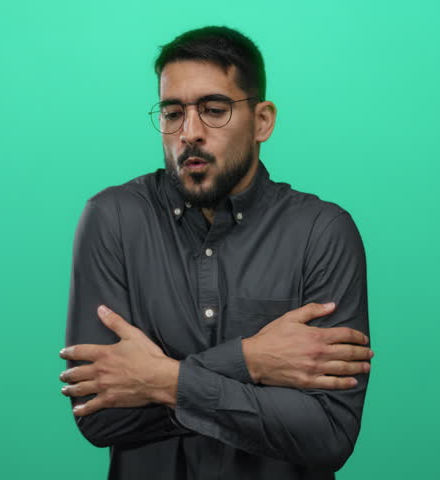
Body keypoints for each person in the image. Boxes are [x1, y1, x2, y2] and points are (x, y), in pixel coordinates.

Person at [59, 25, 373, 479]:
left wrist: (159, 380)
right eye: (173, 113)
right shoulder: (113, 220)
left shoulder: (322, 232)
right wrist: (251, 361)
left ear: (262, 121)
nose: (190, 133)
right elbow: (99, 415)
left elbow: (329, 434)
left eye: (214, 110)